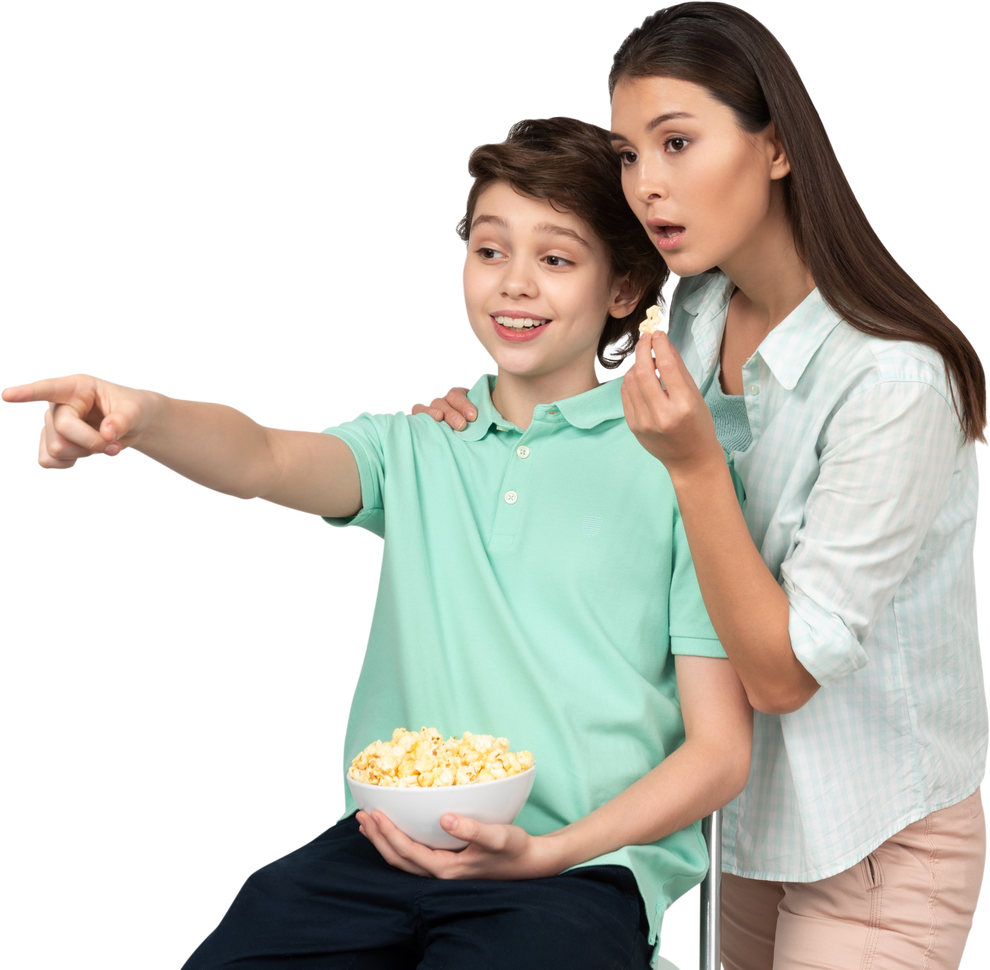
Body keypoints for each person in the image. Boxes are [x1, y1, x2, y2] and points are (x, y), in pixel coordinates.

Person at [2, 116, 753, 970]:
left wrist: (555, 850)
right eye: (489, 251)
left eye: (556, 259)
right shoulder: (415, 446)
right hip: (379, 850)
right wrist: (143, 416)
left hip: (578, 870)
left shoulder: (680, 468)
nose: (514, 286)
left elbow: (720, 752)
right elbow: (265, 455)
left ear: (623, 289)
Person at [415, 4, 988, 969]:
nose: (648, 185)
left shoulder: (891, 382)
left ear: (773, 148)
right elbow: (611, 465)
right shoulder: (699, 311)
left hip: (881, 829)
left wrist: (693, 465)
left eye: (678, 142)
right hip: (753, 816)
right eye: (632, 154)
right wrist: (485, 418)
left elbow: (781, 673)